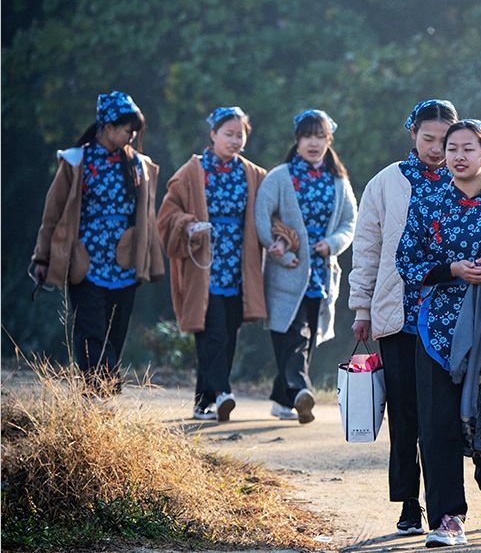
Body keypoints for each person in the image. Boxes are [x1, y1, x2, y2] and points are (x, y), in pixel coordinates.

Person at [395, 120, 481, 547]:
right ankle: (447, 518)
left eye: (468, 148)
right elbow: (407, 262)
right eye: (451, 148)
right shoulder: (428, 203)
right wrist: (453, 270)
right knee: (436, 425)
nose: (457, 155)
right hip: (436, 329)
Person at [348, 98, 458, 536]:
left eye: (444, 140)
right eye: (427, 138)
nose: (436, 148)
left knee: (445, 417)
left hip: (451, 319)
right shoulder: (385, 183)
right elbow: (368, 248)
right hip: (397, 315)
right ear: (412, 134)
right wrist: (361, 308)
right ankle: (410, 505)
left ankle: (448, 504)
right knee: (405, 416)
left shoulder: (464, 176)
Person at [29, 91, 163, 392]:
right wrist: (42, 257)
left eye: (134, 129)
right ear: (106, 125)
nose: (131, 134)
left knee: (115, 333)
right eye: (126, 127)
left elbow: (147, 217)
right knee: (90, 331)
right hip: (84, 262)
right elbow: (53, 213)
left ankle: (103, 389)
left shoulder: (137, 164)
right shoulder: (76, 161)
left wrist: (150, 259)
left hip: (124, 264)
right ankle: (96, 392)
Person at [157, 106, 267, 421]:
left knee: (228, 333)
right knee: (211, 330)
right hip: (203, 265)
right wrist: (189, 225)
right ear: (213, 135)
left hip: (238, 265)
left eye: (240, 134)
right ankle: (222, 392)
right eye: (228, 134)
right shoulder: (191, 172)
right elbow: (167, 214)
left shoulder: (253, 174)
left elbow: (268, 213)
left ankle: (203, 402)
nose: (234, 140)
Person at [255, 109, 357, 423]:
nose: (314, 143)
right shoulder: (280, 177)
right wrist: (281, 254)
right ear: (297, 139)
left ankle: (284, 400)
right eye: (307, 136)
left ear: (329, 140)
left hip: (322, 274)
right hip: (287, 270)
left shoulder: (338, 181)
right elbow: (262, 217)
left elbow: (349, 222)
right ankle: (301, 389)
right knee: (291, 333)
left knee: (309, 335)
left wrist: (332, 244)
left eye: (320, 137)